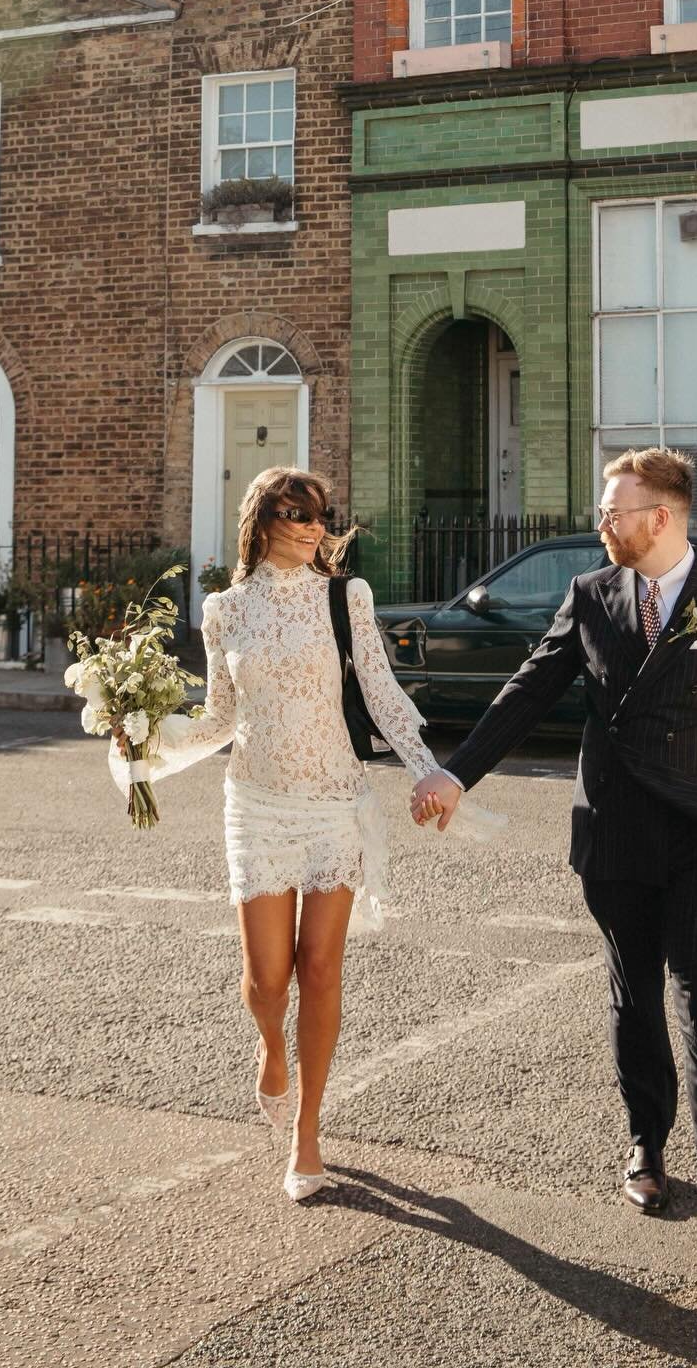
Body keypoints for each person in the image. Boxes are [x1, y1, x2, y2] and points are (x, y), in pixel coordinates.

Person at [411, 447, 697, 1270]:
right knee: (633, 1002)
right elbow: (530, 689)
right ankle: (646, 1145)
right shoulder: (591, 594)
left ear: (659, 518)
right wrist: (455, 773)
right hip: (616, 828)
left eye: (612, 512)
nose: (600, 524)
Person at [119, 467, 443, 1202]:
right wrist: (144, 742)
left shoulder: (346, 597)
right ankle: (272, 1046)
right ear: (261, 521)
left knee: (320, 968)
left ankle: (307, 1130)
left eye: (320, 514)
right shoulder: (225, 610)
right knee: (268, 978)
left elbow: (381, 692)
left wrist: (428, 769)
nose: (313, 526)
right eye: (296, 513)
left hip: (334, 801)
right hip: (257, 804)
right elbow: (220, 717)